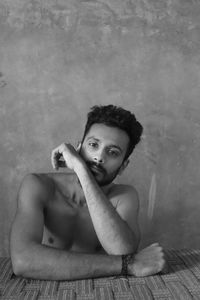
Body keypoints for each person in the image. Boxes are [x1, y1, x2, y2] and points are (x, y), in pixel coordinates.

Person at [10, 105, 165, 280]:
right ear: (78, 148)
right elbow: (23, 261)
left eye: (112, 152)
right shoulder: (38, 185)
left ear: (123, 166)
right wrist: (128, 265)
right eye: (93, 145)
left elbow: (123, 251)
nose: (99, 157)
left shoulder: (124, 197)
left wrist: (82, 171)